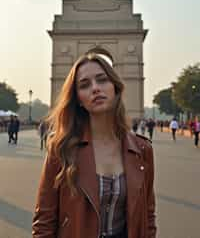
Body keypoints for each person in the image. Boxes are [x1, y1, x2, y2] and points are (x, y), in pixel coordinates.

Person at [32, 52, 156, 238]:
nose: (95, 88)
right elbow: (44, 223)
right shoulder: (62, 149)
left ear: (115, 87)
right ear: (78, 99)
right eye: (84, 85)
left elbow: (147, 217)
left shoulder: (142, 150)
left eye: (102, 80)